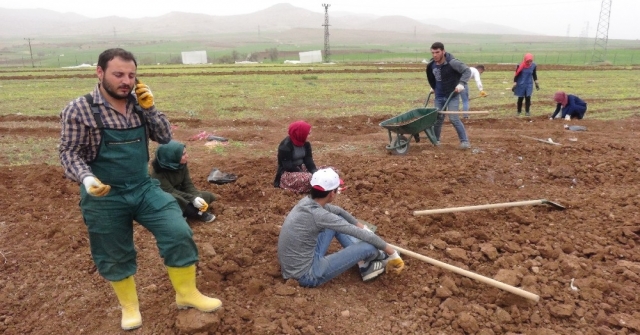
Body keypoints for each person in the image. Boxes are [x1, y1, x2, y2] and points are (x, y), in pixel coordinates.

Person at [59, 48, 221, 331]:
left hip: (143, 187)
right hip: (104, 193)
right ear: (100, 73)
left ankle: (186, 294)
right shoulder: (79, 109)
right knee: (114, 250)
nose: (126, 81)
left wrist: (150, 108)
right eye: (118, 74)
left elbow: (164, 137)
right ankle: (129, 306)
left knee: (177, 230)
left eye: (131, 75)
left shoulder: (138, 104)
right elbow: (69, 153)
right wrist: (86, 178)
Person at [278, 168, 405, 287]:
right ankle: (379, 259)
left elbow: (338, 211)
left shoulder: (308, 202)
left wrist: (363, 227)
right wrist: (392, 253)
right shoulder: (319, 215)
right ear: (332, 194)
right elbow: (358, 233)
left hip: (296, 265)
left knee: (341, 224)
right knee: (369, 246)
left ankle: (364, 264)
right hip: (306, 275)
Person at [150, 140, 218, 223]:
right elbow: (170, 191)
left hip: (179, 192)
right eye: (183, 154)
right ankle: (197, 213)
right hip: (163, 199)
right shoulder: (157, 173)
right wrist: (192, 199)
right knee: (175, 199)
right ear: (172, 156)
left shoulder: (180, 165)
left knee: (207, 196)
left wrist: (197, 197)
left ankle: (186, 212)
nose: (187, 156)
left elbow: (188, 185)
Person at [426, 42, 472, 149]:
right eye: (433, 53)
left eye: (437, 52)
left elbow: (467, 71)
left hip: (452, 95)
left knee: (454, 118)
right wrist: (434, 87)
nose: (435, 55)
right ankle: (435, 141)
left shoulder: (453, 63)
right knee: (438, 118)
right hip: (439, 96)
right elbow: (432, 78)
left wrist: (461, 83)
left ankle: (465, 142)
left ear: (443, 51)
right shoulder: (431, 65)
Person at [273, 120, 318, 193]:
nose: (310, 136)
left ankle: (315, 185)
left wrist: (315, 172)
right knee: (309, 178)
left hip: (301, 168)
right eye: (308, 133)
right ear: (301, 134)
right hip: (288, 173)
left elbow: (308, 160)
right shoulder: (285, 146)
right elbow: (288, 166)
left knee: (329, 171)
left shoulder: (306, 144)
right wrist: (304, 174)